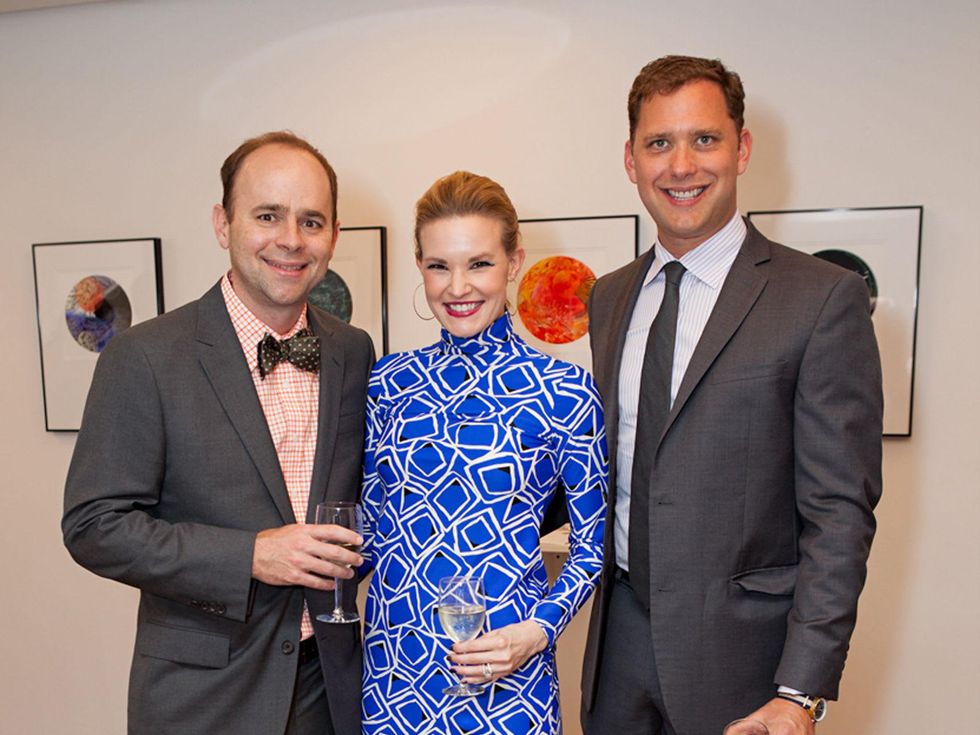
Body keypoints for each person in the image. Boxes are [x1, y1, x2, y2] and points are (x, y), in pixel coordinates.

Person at [580, 56, 883, 735]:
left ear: (741, 149)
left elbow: (839, 514)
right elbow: (605, 467)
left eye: (704, 139)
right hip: (616, 648)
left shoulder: (821, 300)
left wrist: (800, 690)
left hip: (745, 669)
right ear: (631, 160)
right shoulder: (609, 296)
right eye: (659, 143)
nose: (680, 165)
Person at [62, 131, 374, 735]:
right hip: (202, 696)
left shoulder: (352, 350)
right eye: (267, 215)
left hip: (330, 690)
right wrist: (251, 555)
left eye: (311, 221)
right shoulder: (143, 356)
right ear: (222, 224)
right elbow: (93, 526)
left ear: (334, 235)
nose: (290, 239)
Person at [359, 171, 607, 734]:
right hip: (395, 674)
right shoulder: (388, 382)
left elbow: (592, 546)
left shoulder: (564, 392)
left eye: (479, 264)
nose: (457, 287)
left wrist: (537, 632)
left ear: (514, 262)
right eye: (439, 266)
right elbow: (371, 527)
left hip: (509, 674)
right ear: (419, 266)